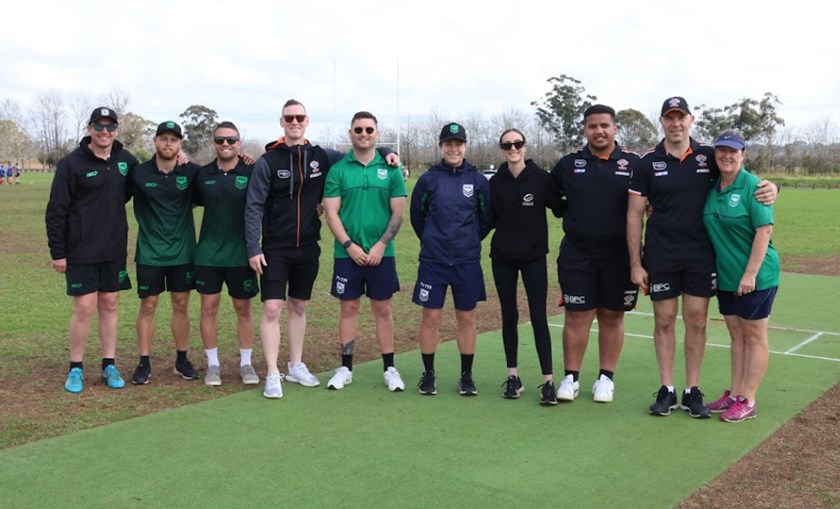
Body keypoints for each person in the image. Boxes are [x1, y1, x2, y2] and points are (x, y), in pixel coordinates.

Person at [627, 96, 777, 418]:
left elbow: (740, 174)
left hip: (700, 256)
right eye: (670, 117)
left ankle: (692, 390)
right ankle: (666, 389)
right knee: (664, 321)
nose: (676, 123)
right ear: (662, 121)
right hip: (661, 255)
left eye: (681, 117)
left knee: (696, 321)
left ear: (691, 121)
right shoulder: (646, 162)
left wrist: (772, 187)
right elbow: (634, 215)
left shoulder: (709, 156)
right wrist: (636, 263)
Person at [245, 99, 399, 399]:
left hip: (308, 247)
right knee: (273, 307)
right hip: (274, 246)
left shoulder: (321, 155)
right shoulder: (269, 160)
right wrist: (253, 245)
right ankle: (273, 373)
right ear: (281, 121)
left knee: (299, 306)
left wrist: (386, 151)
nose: (294, 121)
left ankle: (296, 364)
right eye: (289, 117)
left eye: (299, 117)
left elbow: (360, 151)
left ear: (306, 120)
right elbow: (253, 205)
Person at [550, 105, 640, 404]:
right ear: (585, 130)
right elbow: (549, 195)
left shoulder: (633, 164)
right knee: (577, 316)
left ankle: (605, 379)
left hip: (620, 256)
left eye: (604, 125)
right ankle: (571, 378)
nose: (599, 131)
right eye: (592, 126)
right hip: (578, 254)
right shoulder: (568, 164)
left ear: (615, 128)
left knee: (612, 316)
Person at [46, 107, 137, 393]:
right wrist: (57, 252)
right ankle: (76, 368)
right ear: (89, 128)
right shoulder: (70, 164)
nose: (104, 132)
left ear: (117, 131)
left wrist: (181, 160)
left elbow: (152, 176)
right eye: (99, 126)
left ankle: (109, 364)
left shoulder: (126, 161)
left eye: (110, 127)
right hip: (80, 250)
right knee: (85, 307)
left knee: (110, 304)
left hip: (113, 248)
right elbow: (56, 211)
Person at [322, 111, 407, 392]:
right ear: (350, 133)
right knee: (349, 308)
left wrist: (382, 245)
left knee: (382, 309)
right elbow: (331, 213)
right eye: (358, 129)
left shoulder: (391, 169)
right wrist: (350, 245)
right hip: (347, 254)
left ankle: (389, 368)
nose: (364, 134)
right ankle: (345, 367)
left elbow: (398, 213)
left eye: (369, 129)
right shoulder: (338, 170)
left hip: (383, 253)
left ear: (377, 133)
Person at [410, 122, 492, 396]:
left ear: (465, 146)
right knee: (431, 317)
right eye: (448, 144)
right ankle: (428, 374)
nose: (453, 148)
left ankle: (466, 376)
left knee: (466, 317)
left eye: (458, 144)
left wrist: (467, 240)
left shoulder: (478, 180)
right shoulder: (428, 179)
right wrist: (434, 239)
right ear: (441, 146)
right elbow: (417, 217)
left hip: (466, 261)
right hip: (433, 261)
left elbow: (485, 219)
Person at [702, 131, 780, 423]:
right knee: (736, 336)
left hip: (757, 277)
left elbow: (764, 232)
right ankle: (734, 394)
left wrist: (750, 275)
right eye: (721, 150)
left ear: (743, 154)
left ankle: (748, 399)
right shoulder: (711, 188)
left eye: (733, 151)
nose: (727, 156)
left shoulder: (755, 187)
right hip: (726, 278)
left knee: (754, 337)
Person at [490, 128, 560, 405]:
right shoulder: (495, 183)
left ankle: (548, 381)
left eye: (517, 144)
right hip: (502, 258)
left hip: (534, 257)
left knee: (538, 317)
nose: (513, 148)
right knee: (509, 315)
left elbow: (560, 207)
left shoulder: (542, 179)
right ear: (502, 149)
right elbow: (487, 220)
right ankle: (513, 377)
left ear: (525, 147)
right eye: (507, 145)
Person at [129, 121, 201, 385]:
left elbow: (220, 178)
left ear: (180, 144)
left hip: (182, 252)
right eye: (163, 138)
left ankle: (182, 360)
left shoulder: (192, 172)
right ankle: (144, 362)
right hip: (150, 252)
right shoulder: (138, 173)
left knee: (181, 304)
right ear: (155, 141)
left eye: (174, 139)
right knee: (148, 305)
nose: (168, 143)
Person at [193, 121, 260, 386]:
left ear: (239, 143)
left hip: (241, 254)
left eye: (231, 140)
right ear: (214, 143)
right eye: (220, 140)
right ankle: (213, 365)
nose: (225, 145)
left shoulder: (252, 171)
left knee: (243, 308)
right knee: (208, 308)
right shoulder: (202, 174)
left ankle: (246, 364)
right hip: (208, 254)